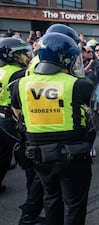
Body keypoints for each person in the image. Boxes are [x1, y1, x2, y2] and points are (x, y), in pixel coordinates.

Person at [11, 32, 94, 225]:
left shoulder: (21, 84)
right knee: (74, 204)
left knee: (51, 198)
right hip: (72, 155)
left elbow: (17, 111)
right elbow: (92, 111)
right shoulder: (78, 85)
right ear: (65, 59)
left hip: (39, 154)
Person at [0, 37, 32, 194]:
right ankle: (32, 197)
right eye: (21, 53)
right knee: (26, 156)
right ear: (10, 55)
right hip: (11, 117)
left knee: (3, 154)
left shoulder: (2, 70)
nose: (26, 55)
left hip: (1, 116)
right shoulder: (19, 73)